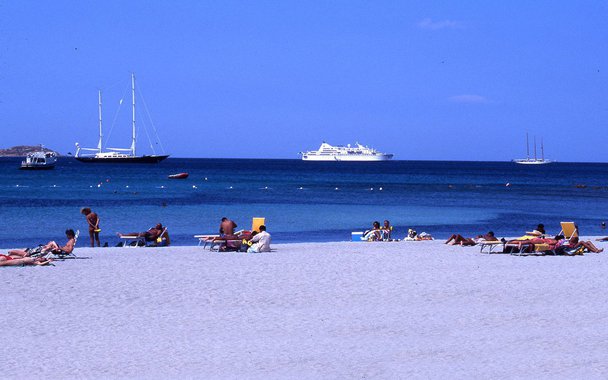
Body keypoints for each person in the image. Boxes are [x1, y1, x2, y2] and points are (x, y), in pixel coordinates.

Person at [9, 229, 76, 257]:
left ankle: (46, 247)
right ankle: (45, 247)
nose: (66, 236)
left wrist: (60, 248)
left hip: (59, 250)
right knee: (50, 243)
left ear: (69, 235)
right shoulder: (71, 240)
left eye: (67, 235)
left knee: (52, 243)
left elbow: (69, 250)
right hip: (57, 249)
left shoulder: (71, 240)